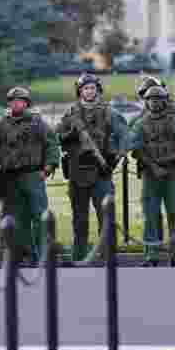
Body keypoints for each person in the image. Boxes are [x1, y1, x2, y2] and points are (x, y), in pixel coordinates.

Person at [0, 86, 61, 265]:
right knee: (14, 218)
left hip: (33, 175)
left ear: (26, 103)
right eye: (12, 101)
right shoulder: (2, 124)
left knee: (39, 216)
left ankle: (43, 256)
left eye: (20, 101)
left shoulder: (37, 123)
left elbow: (52, 145)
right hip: (9, 178)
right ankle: (22, 255)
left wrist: (47, 168)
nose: (16, 104)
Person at [55, 73, 128, 263]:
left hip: (101, 172)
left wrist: (114, 160)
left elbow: (125, 137)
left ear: (98, 90)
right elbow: (56, 136)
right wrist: (69, 134)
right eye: (85, 88)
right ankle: (78, 256)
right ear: (80, 91)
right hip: (77, 172)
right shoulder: (71, 113)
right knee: (79, 219)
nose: (89, 91)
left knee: (106, 217)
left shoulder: (108, 112)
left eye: (92, 88)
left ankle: (108, 255)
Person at [126, 85, 175, 267]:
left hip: (173, 172)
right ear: (146, 102)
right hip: (150, 175)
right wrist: (153, 165)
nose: (154, 103)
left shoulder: (174, 120)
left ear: (165, 101)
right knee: (151, 215)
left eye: (158, 99)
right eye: (150, 99)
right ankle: (151, 255)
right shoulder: (141, 123)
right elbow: (135, 147)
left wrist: (169, 158)